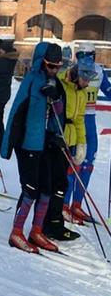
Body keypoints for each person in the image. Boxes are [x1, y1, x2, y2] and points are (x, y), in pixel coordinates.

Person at [1, 42, 70, 253]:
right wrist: (7, 146)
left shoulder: (55, 83)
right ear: (42, 62)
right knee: (30, 190)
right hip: (27, 144)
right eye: (50, 65)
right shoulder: (31, 80)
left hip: (46, 145)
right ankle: (16, 232)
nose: (54, 70)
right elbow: (16, 113)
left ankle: (36, 230)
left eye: (57, 66)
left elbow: (59, 116)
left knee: (47, 191)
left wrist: (56, 99)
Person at [40, 57, 91, 241]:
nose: (87, 83)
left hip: (68, 141)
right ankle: (49, 223)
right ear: (77, 74)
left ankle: (54, 222)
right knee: (54, 183)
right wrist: (53, 135)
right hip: (54, 140)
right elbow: (53, 113)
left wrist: (81, 144)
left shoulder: (82, 92)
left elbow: (79, 120)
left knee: (61, 183)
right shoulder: (61, 84)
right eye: (85, 78)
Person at [63, 44, 111, 224]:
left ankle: (77, 203)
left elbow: (108, 90)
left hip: (89, 121)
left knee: (88, 163)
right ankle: (64, 205)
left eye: (88, 55)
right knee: (73, 163)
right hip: (75, 121)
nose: (84, 59)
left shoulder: (99, 71)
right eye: (80, 55)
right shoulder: (70, 72)